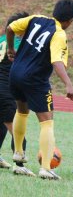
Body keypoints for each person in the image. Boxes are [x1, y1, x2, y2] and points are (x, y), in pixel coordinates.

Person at [6, 0, 73, 180]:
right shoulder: (59, 33)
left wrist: (10, 49)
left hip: (15, 73)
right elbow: (56, 61)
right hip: (35, 79)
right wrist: (68, 83)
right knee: (47, 121)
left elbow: (10, 28)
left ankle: (19, 155)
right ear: (70, 20)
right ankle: (46, 167)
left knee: (21, 112)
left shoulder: (35, 18)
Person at [0, 12, 31, 175]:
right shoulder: (20, 42)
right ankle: (20, 165)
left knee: (1, 125)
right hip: (5, 90)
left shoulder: (1, 40)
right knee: (17, 131)